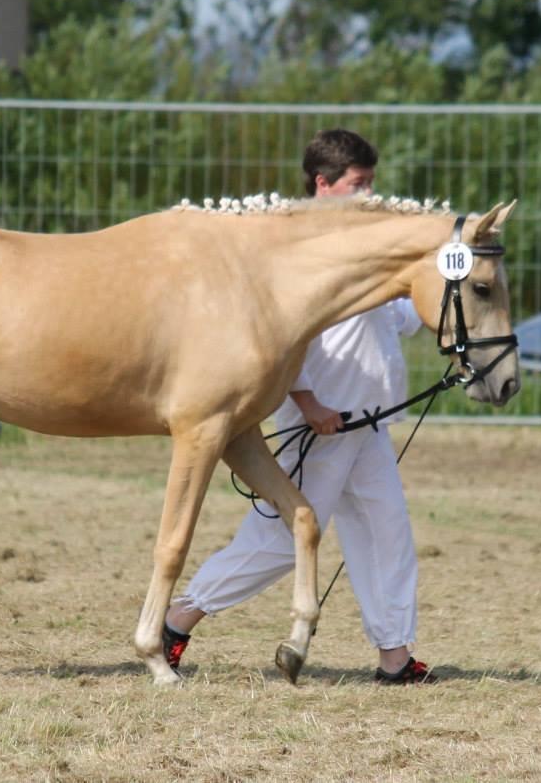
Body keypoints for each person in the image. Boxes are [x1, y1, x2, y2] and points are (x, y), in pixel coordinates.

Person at [163, 128, 437, 685]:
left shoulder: (366, 246)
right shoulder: (295, 247)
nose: (370, 194)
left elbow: (398, 318)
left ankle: (395, 657)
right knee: (279, 543)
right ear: (323, 183)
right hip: (322, 425)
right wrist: (306, 399)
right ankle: (177, 619)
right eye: (359, 184)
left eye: (371, 182)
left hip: (367, 423)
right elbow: (277, 336)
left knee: (386, 534)